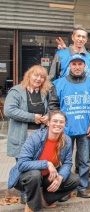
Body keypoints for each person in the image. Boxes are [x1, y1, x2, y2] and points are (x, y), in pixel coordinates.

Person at [49, 54, 90, 198]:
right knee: (62, 161)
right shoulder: (59, 84)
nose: (77, 67)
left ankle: (82, 187)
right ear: (69, 66)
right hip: (64, 130)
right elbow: (53, 106)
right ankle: (65, 189)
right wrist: (57, 125)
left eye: (80, 64)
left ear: (85, 66)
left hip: (85, 129)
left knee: (84, 160)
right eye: (74, 64)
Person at [7, 110, 80, 212]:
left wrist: (60, 176)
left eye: (61, 122)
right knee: (35, 174)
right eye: (55, 121)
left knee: (75, 179)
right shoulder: (35, 138)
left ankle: (45, 199)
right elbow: (22, 164)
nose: (58, 124)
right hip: (26, 178)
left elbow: (67, 163)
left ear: (65, 124)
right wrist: (47, 164)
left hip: (46, 177)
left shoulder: (66, 140)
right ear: (48, 123)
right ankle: (34, 206)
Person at [4, 65, 51, 204]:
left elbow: (46, 110)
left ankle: (35, 192)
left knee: (36, 166)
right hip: (22, 137)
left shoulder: (42, 93)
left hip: (39, 137)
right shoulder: (17, 91)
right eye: (35, 75)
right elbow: (9, 110)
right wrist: (33, 117)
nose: (38, 79)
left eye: (42, 77)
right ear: (28, 75)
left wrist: (47, 117)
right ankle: (25, 193)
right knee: (24, 166)